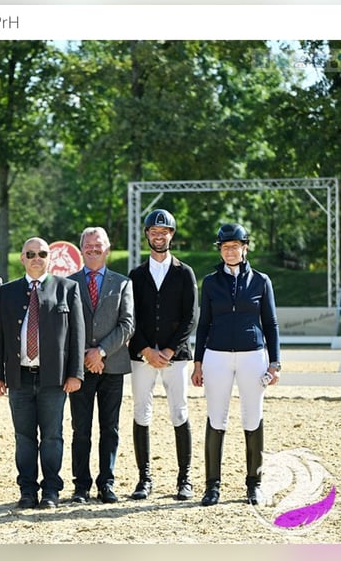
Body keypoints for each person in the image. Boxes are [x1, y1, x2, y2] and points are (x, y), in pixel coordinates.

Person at [0, 237, 85, 509]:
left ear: (49, 257)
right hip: (19, 378)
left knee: (53, 436)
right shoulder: (7, 293)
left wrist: (75, 373)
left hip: (53, 379)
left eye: (41, 253)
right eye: (30, 254)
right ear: (22, 258)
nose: (36, 258)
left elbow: (77, 336)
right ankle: (27, 491)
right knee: (24, 438)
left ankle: (51, 491)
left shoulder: (67, 289)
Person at [192, 223, 281, 507]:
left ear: (245, 247)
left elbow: (271, 323)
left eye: (235, 246)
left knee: (252, 417)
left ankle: (254, 484)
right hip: (216, 355)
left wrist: (275, 362)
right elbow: (203, 323)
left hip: (252, 356)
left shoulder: (261, 281)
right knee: (216, 417)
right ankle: (212, 486)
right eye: (225, 247)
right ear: (220, 250)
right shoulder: (210, 282)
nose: (230, 251)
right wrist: (197, 362)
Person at [128, 209, 198, 501]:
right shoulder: (136, 275)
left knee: (179, 411)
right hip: (142, 355)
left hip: (175, 356)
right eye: (154, 232)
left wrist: (168, 350)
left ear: (171, 234)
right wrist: (146, 350)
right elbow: (130, 316)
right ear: (147, 235)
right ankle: (144, 478)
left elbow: (190, 316)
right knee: (141, 412)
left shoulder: (184, 273)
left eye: (164, 231)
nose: (159, 236)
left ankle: (185, 478)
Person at [68, 226, 134, 504]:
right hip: (80, 367)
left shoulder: (122, 283)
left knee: (111, 427)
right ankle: (81, 486)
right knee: (80, 429)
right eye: (88, 246)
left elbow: (127, 324)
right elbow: (65, 325)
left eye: (99, 246)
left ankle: (106, 483)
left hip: (113, 366)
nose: (93, 250)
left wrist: (102, 351)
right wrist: (85, 353)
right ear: (81, 249)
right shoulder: (68, 284)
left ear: (107, 250)